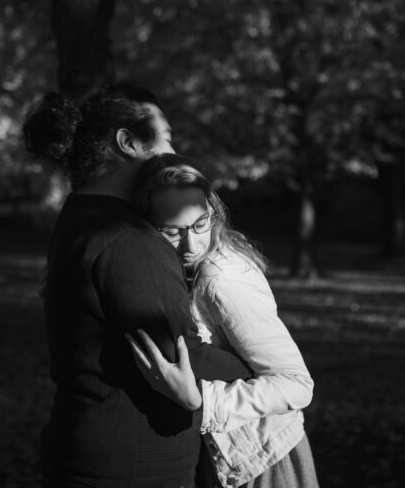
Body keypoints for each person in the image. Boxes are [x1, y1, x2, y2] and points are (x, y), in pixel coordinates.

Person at [23, 84, 252, 488]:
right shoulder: (128, 239)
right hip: (129, 467)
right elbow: (181, 354)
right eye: (166, 138)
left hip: (95, 449)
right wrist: (259, 368)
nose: (173, 151)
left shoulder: (81, 215)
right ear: (128, 143)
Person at [127, 154, 319, 488]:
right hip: (235, 457)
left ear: (213, 211)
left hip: (264, 459)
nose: (191, 244)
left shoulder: (220, 278)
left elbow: (296, 384)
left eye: (200, 224)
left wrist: (201, 401)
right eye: (172, 231)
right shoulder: (184, 270)